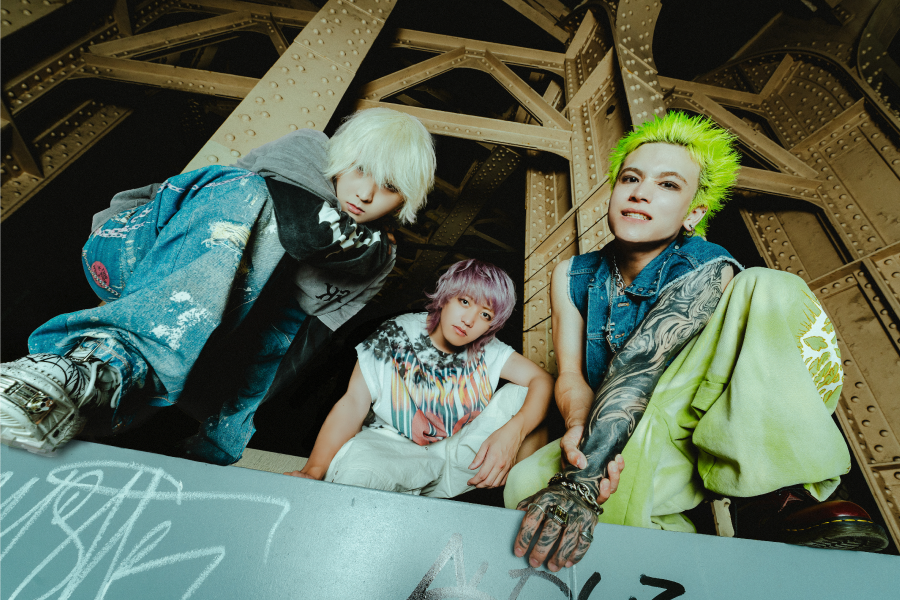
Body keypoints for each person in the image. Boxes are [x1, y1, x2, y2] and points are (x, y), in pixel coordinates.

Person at [504, 111, 889, 572]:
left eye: (668, 185)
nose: (641, 192)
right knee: (526, 485)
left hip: (705, 418)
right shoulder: (571, 274)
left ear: (693, 214)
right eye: (631, 178)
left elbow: (641, 363)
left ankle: (776, 494)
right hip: (626, 428)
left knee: (769, 286)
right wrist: (577, 433)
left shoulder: (708, 264)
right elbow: (570, 374)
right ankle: (676, 551)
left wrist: (581, 481)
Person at [0, 108, 436, 466]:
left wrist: (224, 428)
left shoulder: (376, 258)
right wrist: (364, 246)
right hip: (131, 247)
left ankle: (92, 401)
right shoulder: (308, 150)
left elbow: (296, 337)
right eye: (361, 169)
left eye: (390, 187)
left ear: (405, 200)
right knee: (253, 195)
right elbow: (302, 229)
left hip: (207, 307)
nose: (366, 193)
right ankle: (96, 364)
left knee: (267, 317)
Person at [285, 259, 552, 498]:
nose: (469, 320)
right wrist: (313, 471)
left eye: (485, 315)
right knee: (356, 476)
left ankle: (522, 502)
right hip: (391, 446)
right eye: (465, 301)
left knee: (526, 398)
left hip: (457, 454)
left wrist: (514, 433)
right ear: (446, 297)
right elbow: (353, 402)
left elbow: (542, 380)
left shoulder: (488, 349)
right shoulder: (398, 333)